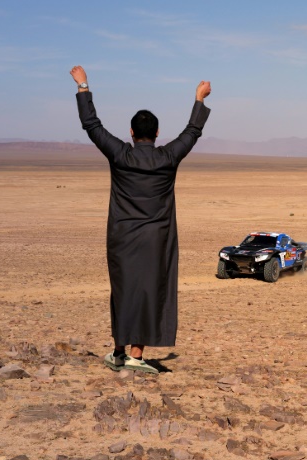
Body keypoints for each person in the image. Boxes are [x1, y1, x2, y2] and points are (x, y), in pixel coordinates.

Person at [69, 65, 211, 373]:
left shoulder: (121, 154)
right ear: (157, 133)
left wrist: (83, 86)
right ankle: (134, 354)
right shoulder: (167, 157)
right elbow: (192, 132)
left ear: (131, 133)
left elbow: (92, 125)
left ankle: (120, 352)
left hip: (122, 238)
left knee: (123, 291)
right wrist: (198, 100)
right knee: (148, 291)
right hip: (155, 240)